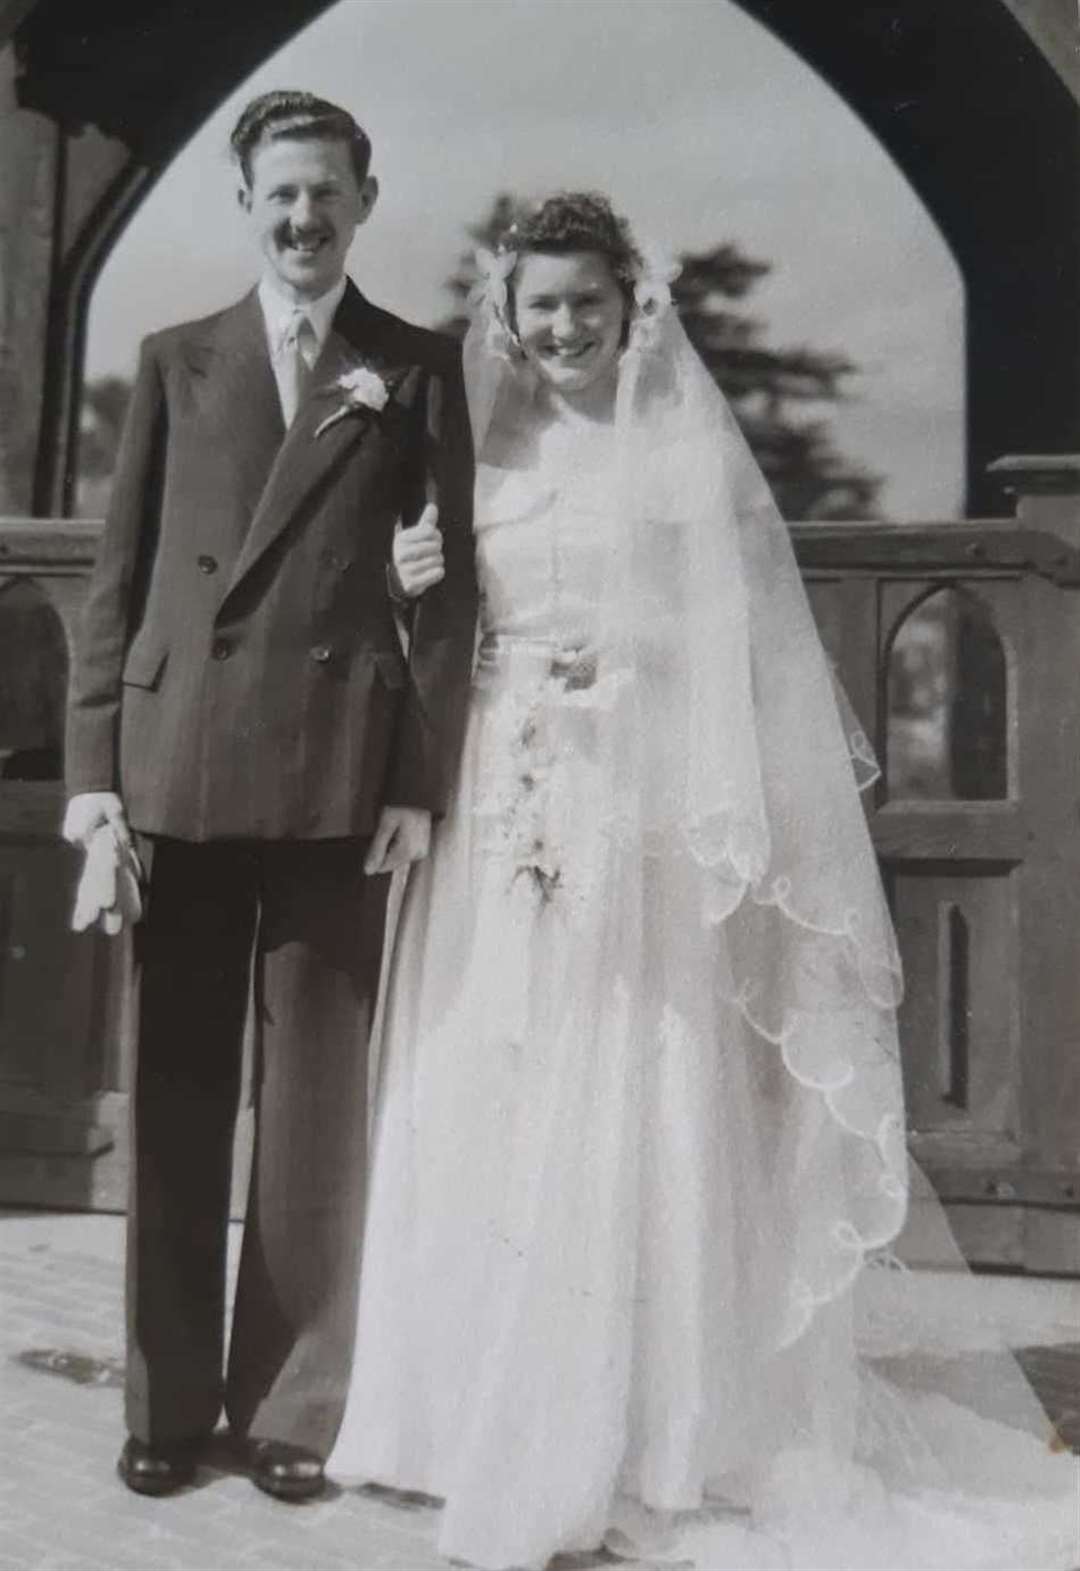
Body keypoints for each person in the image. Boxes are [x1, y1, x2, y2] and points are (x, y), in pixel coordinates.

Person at [330, 194, 1078, 1568]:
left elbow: (729, 651)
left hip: (628, 797)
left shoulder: (679, 462)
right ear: (509, 313)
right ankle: (447, 1415)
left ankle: (651, 1426)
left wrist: (616, 678)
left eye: (586, 303)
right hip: (499, 792)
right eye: (540, 304)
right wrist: (414, 583)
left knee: (624, 1068)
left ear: (631, 307)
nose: (562, 327)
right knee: (486, 1059)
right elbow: (436, 626)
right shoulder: (477, 453)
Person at [62, 90, 477, 1503]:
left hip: (336, 778)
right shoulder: (176, 362)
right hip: (178, 777)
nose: (303, 219)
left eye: (326, 194)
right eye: (279, 196)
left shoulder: (415, 370)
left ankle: (298, 1407)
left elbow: (448, 600)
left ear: (366, 199)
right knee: (178, 1102)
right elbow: (114, 597)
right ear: (246, 205)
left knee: (315, 1118)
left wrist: (420, 780)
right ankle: (168, 1404)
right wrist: (95, 784)